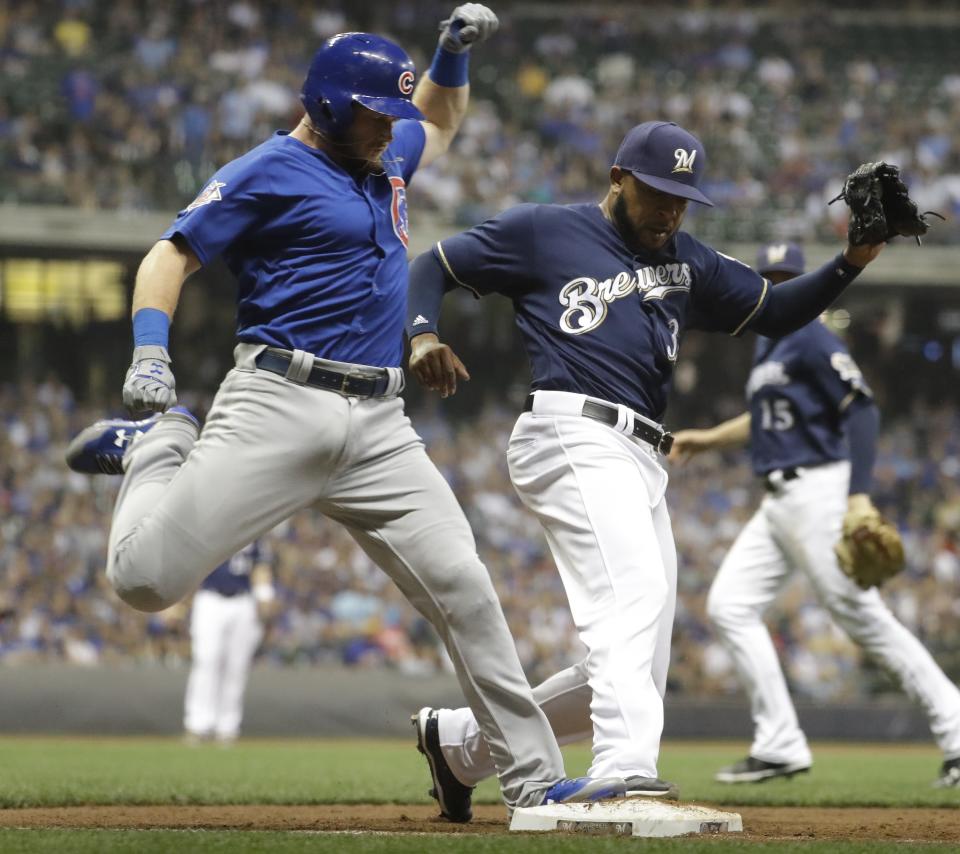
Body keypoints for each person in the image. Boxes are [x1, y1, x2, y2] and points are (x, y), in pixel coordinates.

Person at [64, 10, 629, 818]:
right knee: (145, 581)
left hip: (380, 424)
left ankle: (535, 782)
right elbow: (170, 255)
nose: (387, 127)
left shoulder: (385, 147)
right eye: (372, 112)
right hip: (277, 402)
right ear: (326, 104)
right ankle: (161, 444)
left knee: (465, 586)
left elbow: (436, 117)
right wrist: (150, 351)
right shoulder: (265, 169)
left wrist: (448, 55)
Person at [403, 121, 887, 818]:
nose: (670, 210)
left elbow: (776, 310)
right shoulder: (545, 231)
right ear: (618, 178)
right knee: (628, 599)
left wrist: (852, 260)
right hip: (570, 428)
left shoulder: (688, 258)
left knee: (643, 656)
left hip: (641, 452)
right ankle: (623, 768)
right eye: (658, 193)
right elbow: (434, 265)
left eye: (682, 198)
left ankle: (460, 747)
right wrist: (421, 333)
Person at [667, 242, 960, 788]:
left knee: (861, 616)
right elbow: (766, 418)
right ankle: (779, 744)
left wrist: (859, 495)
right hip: (778, 501)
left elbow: (862, 406)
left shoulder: (810, 335)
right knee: (730, 605)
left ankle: (957, 729)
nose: (778, 287)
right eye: (771, 278)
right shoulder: (770, 345)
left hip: (819, 490)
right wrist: (707, 440)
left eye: (788, 277)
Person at [183, 540, 275, 745]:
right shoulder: (210, 524)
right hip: (210, 598)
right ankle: (197, 724)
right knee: (206, 660)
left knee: (236, 667)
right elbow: (189, 563)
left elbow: (261, 565)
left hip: (243, 601)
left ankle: (228, 727)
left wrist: (264, 595)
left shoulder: (255, 529)